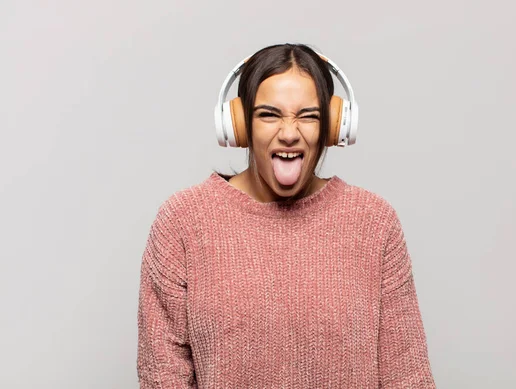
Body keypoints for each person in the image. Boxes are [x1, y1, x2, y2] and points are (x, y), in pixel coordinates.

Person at [136, 43, 436, 388]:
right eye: (269, 114)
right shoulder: (183, 222)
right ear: (240, 126)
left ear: (334, 126)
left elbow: (407, 376)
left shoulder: (374, 222)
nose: (290, 133)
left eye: (308, 116)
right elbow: (163, 376)